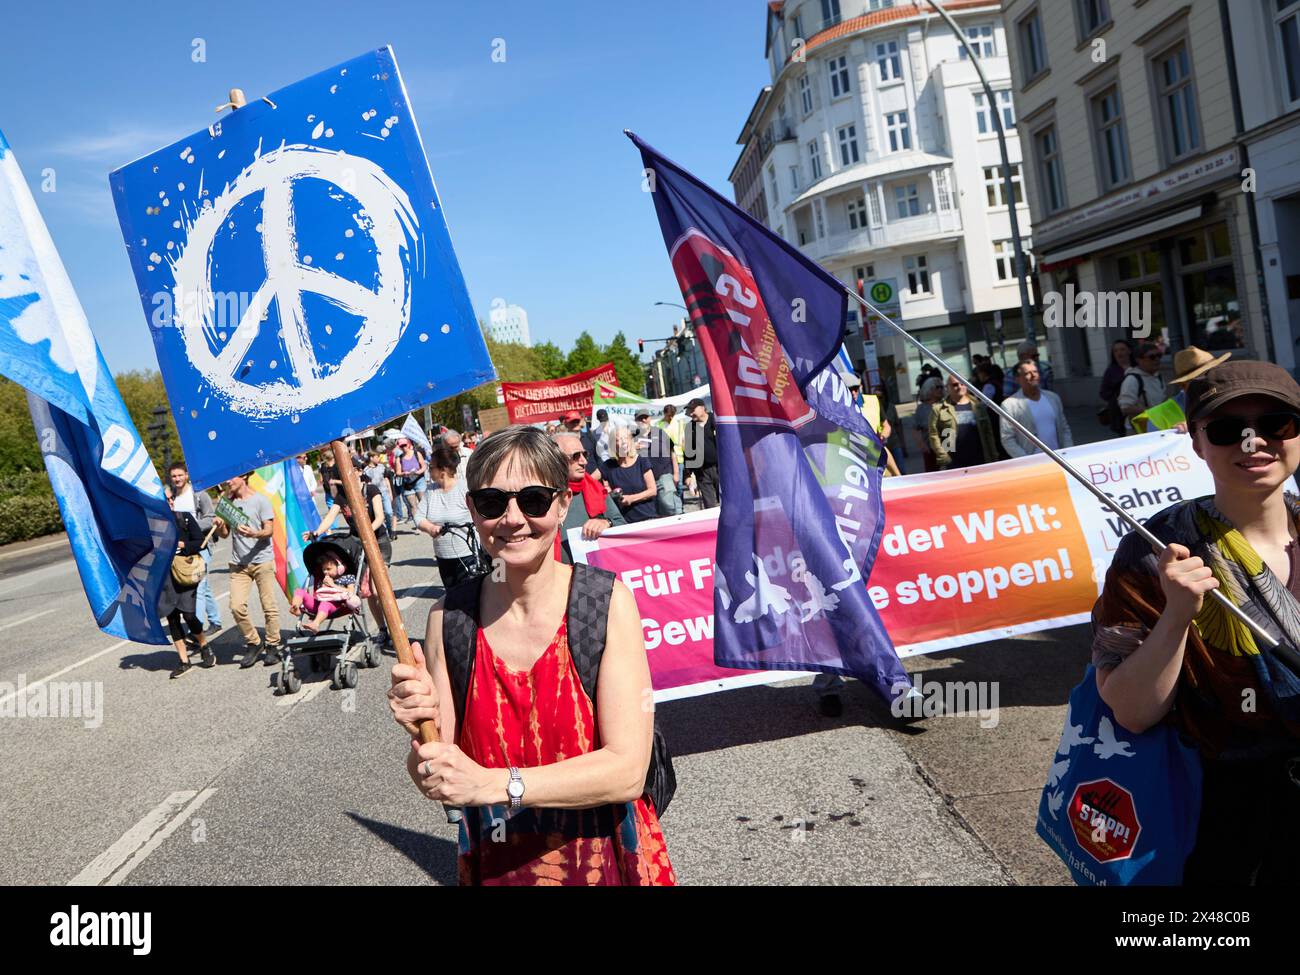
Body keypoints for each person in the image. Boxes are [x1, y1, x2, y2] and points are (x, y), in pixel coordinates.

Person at [387, 425, 676, 885]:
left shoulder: (602, 603)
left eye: (535, 500)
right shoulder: (450, 619)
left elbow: (626, 770)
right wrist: (419, 734)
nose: (513, 518)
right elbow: (439, 779)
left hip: (601, 862)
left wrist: (498, 785)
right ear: (473, 511)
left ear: (563, 503)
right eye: (492, 502)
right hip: (500, 866)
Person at [1092, 360, 1300, 885]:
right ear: (1198, 444)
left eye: (1275, 423)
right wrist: (1177, 615)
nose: (1253, 443)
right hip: (1225, 816)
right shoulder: (1155, 551)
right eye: (1228, 430)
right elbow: (1133, 711)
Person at [306, 469, 392, 643]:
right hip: (358, 545)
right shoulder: (342, 495)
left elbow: (380, 516)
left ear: (358, 471)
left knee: (378, 589)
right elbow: (330, 517)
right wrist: (317, 532)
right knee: (369, 593)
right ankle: (383, 629)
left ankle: (394, 627)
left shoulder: (371, 490)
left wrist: (367, 532)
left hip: (378, 541)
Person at [213, 473, 282, 668]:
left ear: (243, 476)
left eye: (231, 478)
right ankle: (254, 643)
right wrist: (219, 526)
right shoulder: (227, 503)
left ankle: (273, 645)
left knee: (269, 606)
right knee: (236, 606)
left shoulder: (261, 500)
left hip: (262, 561)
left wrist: (255, 533)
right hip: (239, 564)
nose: (227, 481)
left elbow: (269, 530)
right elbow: (225, 534)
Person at [159, 493, 216, 679]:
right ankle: (184, 661)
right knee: (172, 618)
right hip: (164, 576)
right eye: (163, 499)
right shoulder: (151, 525)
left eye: (169, 499)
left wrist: (184, 545)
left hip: (184, 572)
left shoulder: (183, 517)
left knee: (189, 615)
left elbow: (200, 542)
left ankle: (204, 645)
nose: (168, 502)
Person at [416, 445, 481, 590]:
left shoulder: (465, 488)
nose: (429, 470)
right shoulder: (431, 490)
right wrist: (431, 528)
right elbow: (418, 516)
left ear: (443, 470)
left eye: (431, 467)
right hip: (443, 555)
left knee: (470, 596)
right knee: (452, 597)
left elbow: (481, 514)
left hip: (467, 552)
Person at [554, 431, 625, 563]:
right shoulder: (541, 493)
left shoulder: (595, 488)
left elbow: (621, 524)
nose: (584, 461)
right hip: (555, 576)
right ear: (555, 459)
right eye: (576, 456)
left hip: (595, 572)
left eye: (585, 454)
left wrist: (606, 523)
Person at [167, 461, 221, 632]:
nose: (177, 479)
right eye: (174, 476)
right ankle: (215, 620)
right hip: (183, 549)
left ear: (186, 475)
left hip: (202, 545)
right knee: (202, 586)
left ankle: (194, 630)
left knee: (197, 587)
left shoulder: (199, 495)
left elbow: (211, 517)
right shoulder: (172, 498)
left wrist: (191, 525)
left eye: (180, 475)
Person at [999, 361, 1073, 458]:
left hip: (1060, 459)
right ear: (1017, 379)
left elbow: (1064, 428)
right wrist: (1027, 460)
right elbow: (1007, 439)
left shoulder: (1053, 398)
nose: (1033, 375)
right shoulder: (1009, 405)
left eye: (1035, 372)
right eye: (1027, 373)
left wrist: (1069, 452)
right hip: (1034, 464)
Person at [928, 374, 999, 470]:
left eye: (962, 383)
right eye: (955, 385)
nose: (959, 387)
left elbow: (988, 433)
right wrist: (943, 455)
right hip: (953, 463)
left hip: (979, 460)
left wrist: (993, 456)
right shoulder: (939, 409)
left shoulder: (978, 406)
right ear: (947, 387)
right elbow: (933, 435)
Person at [290, 547, 360, 634]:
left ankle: (315, 624)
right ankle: (296, 607)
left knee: (325, 603)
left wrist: (332, 585)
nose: (325, 572)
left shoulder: (347, 578)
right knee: (299, 591)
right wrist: (322, 587)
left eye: (328, 569)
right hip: (318, 605)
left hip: (337, 606)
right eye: (323, 569)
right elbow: (318, 595)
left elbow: (351, 592)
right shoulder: (323, 580)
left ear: (340, 568)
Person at [602, 426, 659, 524]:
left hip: (647, 518)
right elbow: (594, 482)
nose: (624, 442)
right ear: (612, 444)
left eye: (626, 438)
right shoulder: (608, 466)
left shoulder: (642, 461)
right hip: (624, 523)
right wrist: (610, 493)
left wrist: (631, 499)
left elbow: (653, 491)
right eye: (619, 439)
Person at [634, 409, 681, 516]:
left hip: (664, 476)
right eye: (640, 419)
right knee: (657, 513)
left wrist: (676, 474)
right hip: (646, 481)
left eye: (645, 417)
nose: (643, 420)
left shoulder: (660, 432)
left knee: (672, 508)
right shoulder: (634, 438)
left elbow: (672, 452)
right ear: (636, 421)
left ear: (649, 419)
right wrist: (633, 448)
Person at [1118, 342, 1167, 433]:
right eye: (1151, 357)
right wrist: (1151, 411)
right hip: (1138, 431)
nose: (1156, 359)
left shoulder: (1158, 377)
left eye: (1159, 355)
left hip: (1157, 426)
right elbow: (1125, 408)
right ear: (1139, 360)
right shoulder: (1132, 379)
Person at [683, 397, 720, 508]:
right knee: (710, 505)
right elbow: (689, 453)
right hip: (702, 473)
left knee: (728, 503)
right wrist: (688, 475)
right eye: (690, 411)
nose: (691, 413)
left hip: (721, 469)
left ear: (703, 408)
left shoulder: (716, 420)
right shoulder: (690, 427)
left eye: (693, 410)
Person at [1098, 339, 1135, 436]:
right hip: (1119, 413)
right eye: (1116, 351)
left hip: (1136, 409)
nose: (1119, 353)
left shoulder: (1137, 367)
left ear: (1129, 351)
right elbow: (1103, 393)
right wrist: (1116, 395)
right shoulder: (1111, 371)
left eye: (1122, 349)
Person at [913, 376, 944, 472]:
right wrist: (922, 446)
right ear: (929, 389)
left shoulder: (947, 404)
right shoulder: (921, 409)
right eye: (937, 387)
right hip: (930, 451)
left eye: (941, 387)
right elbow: (915, 430)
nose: (940, 389)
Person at [393, 440, 428, 525]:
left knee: (422, 502)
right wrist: (403, 473)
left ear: (408, 445)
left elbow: (424, 466)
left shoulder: (416, 453)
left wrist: (419, 472)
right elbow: (398, 472)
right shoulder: (399, 458)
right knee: (413, 505)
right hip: (407, 483)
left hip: (419, 480)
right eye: (401, 446)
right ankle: (418, 525)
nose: (403, 447)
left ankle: (427, 521)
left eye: (404, 445)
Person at [365, 450, 398, 538]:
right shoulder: (366, 470)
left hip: (384, 492)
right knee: (379, 514)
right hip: (375, 495)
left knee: (389, 512)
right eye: (376, 457)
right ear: (371, 458)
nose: (378, 458)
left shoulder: (381, 467)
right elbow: (366, 484)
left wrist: (390, 492)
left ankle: (390, 528)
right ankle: (386, 532)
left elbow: (386, 479)